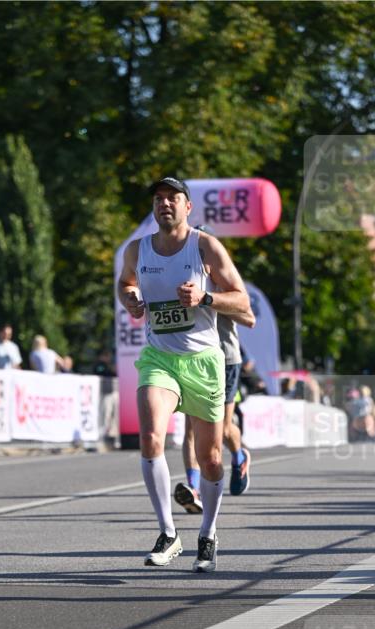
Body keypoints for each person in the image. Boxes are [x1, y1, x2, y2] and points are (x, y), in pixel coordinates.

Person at [118, 175, 250, 572]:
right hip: (160, 358)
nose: (165, 204)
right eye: (158, 199)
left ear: (187, 206)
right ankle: (168, 533)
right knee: (151, 436)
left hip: (204, 361)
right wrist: (130, 300)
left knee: (210, 459)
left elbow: (242, 302)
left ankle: (207, 533)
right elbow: (126, 283)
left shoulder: (205, 246)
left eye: (173, 198)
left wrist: (205, 297)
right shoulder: (137, 250)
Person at [174, 225, 255, 514]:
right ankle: (193, 487)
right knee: (191, 428)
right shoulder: (179, 276)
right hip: (193, 358)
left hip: (226, 359)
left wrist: (209, 299)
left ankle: (239, 453)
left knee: (219, 429)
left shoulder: (222, 280)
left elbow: (250, 319)